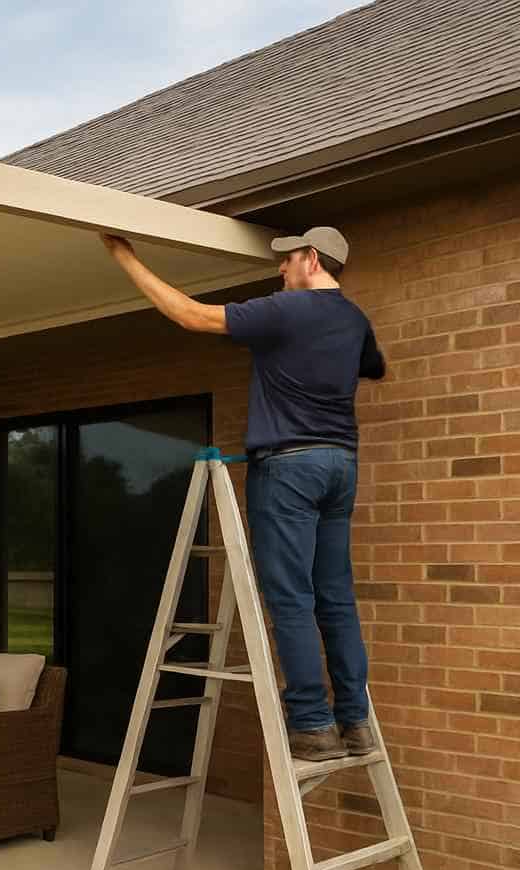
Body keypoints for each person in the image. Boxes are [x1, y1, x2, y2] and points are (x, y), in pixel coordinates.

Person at [99, 226, 385, 761]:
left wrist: (124, 256)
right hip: (340, 465)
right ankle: (355, 721)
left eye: (286, 260)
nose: (280, 269)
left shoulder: (284, 310)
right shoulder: (354, 320)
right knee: (335, 598)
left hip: (289, 467)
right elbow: (373, 367)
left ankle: (312, 725)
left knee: (292, 597)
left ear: (311, 259)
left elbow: (190, 315)